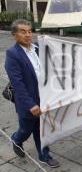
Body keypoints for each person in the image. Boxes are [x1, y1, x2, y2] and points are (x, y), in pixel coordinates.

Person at [4, 19, 60, 168]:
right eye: (23, 32)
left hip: (44, 98)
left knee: (41, 129)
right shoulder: (12, 54)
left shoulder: (36, 48)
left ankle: (44, 155)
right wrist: (30, 104)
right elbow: (18, 84)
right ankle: (16, 139)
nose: (28, 35)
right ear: (14, 35)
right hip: (27, 103)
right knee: (26, 129)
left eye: (30, 31)